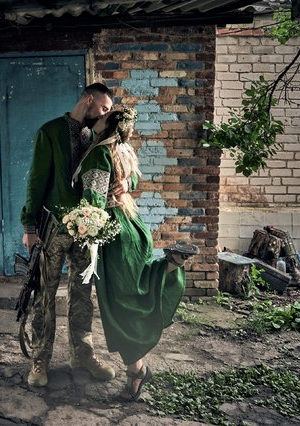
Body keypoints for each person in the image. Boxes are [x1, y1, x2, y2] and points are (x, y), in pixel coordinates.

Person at [73, 106, 199, 401]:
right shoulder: (124, 149)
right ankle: (165, 267)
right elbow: (134, 181)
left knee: (120, 304)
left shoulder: (99, 153)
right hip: (134, 226)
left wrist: (82, 230)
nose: (98, 117)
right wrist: (125, 184)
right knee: (135, 289)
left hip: (113, 233)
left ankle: (136, 372)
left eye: (103, 116)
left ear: (107, 125)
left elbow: (92, 202)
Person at [21, 82, 117, 387]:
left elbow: (118, 170)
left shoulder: (97, 136)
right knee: (44, 295)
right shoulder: (50, 132)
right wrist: (29, 227)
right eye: (103, 108)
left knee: (82, 294)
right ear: (89, 100)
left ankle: (83, 355)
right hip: (53, 228)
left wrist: (125, 186)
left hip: (87, 232)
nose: (106, 114)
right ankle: (40, 359)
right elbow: (36, 181)